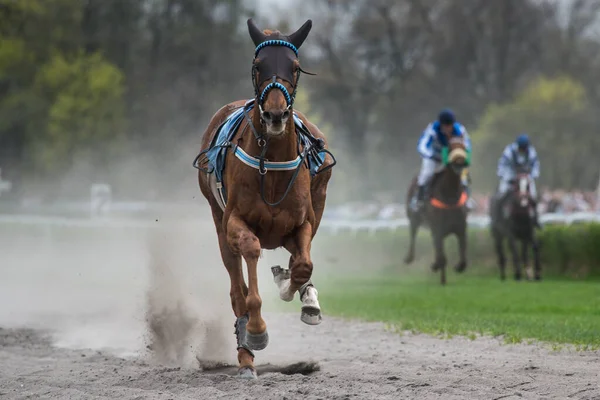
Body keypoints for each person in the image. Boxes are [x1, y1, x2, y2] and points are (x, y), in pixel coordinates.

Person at [411, 109, 472, 212]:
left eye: (450, 125)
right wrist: (430, 155)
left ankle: (467, 200)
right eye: (445, 126)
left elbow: (467, 145)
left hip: (451, 158)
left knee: (463, 176)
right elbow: (422, 146)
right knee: (426, 174)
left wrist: (463, 155)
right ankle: (419, 200)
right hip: (434, 158)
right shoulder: (432, 130)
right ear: (441, 124)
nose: (448, 128)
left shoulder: (460, 130)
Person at [495, 133, 541, 228]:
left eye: (524, 148)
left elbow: (535, 166)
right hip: (510, 178)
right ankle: (497, 219)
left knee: (533, 196)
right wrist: (507, 177)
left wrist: (533, 176)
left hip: (526, 178)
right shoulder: (509, 151)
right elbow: (502, 166)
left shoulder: (531, 152)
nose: (522, 150)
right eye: (521, 148)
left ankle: (536, 219)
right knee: (501, 195)